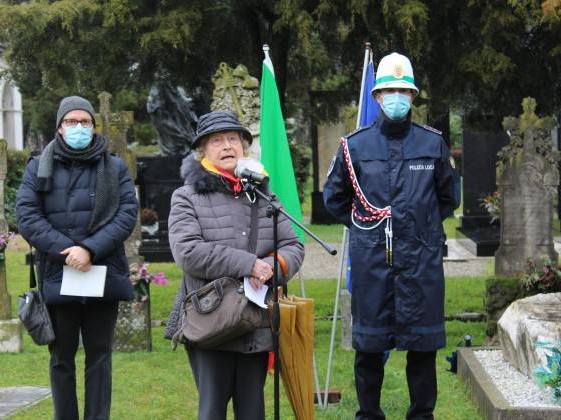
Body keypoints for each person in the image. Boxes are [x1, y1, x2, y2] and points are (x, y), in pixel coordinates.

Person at [323, 53, 460, 420]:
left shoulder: (432, 144)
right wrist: (365, 226)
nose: (397, 97)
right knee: (368, 349)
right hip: (372, 264)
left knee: (423, 348)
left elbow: (449, 197)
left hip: (420, 262)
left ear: (412, 96)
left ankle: (421, 415)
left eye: (403, 90)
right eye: (389, 90)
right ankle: (368, 415)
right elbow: (334, 198)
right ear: (377, 97)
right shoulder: (355, 146)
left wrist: (423, 226)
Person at [167, 110, 304, 420]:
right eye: (216, 140)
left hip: (256, 320)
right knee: (212, 411)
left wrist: (272, 266)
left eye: (233, 139)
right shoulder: (185, 197)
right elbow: (187, 252)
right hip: (211, 321)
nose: (227, 146)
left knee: (253, 411)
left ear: (244, 146)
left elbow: (293, 245)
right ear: (203, 150)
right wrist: (248, 265)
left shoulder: (263, 194)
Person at [15, 96, 139, 420]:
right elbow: (27, 215)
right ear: (59, 126)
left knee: (100, 357)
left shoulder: (114, 166)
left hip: (102, 272)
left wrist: (90, 249)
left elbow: (127, 213)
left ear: (94, 126)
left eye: (85, 121)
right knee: (61, 359)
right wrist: (67, 251)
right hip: (58, 274)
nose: (79, 127)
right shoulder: (37, 166)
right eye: (72, 121)